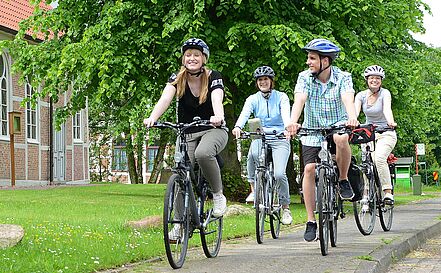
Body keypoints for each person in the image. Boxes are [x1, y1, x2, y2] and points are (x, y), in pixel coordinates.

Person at [144, 38, 228, 225]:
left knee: (203, 153)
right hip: (187, 131)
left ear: (204, 58)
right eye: (188, 55)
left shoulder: (214, 76)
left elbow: (217, 99)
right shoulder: (177, 77)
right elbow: (165, 99)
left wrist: (218, 116)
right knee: (181, 172)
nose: (192, 58)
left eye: (196, 55)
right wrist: (153, 117)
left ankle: (218, 194)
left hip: (213, 129)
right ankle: (179, 223)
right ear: (183, 58)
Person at [286, 38, 358, 242]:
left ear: (325, 61)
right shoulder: (304, 77)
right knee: (309, 169)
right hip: (313, 127)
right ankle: (310, 221)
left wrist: (352, 116)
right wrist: (293, 122)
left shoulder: (343, 77)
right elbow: (299, 99)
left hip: (338, 123)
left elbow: (347, 98)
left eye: (312, 58)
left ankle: (343, 179)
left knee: (341, 138)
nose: (308, 62)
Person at [232, 66, 294, 225]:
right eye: (260, 80)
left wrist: (288, 128)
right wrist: (238, 127)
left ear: (271, 81)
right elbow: (245, 113)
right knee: (252, 155)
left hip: (280, 136)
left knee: (279, 174)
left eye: (266, 79)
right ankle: (254, 190)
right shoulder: (252, 99)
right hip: (260, 134)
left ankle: (285, 207)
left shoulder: (282, 97)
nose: (263, 82)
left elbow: (286, 114)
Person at [354, 64, 398, 203]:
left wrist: (390, 122)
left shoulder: (385, 93)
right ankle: (366, 194)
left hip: (386, 132)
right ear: (367, 80)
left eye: (377, 78)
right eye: (371, 78)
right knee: (366, 162)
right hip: (369, 133)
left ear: (381, 80)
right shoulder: (360, 96)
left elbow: (387, 109)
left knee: (379, 158)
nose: (374, 80)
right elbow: (355, 112)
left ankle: (387, 192)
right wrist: (352, 122)